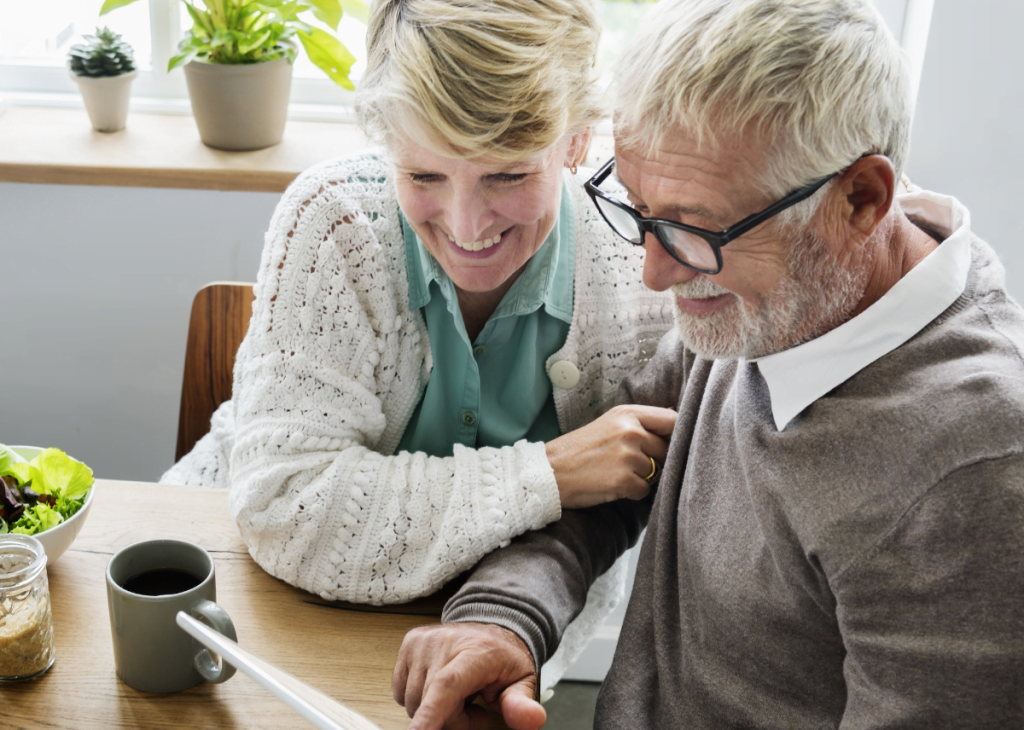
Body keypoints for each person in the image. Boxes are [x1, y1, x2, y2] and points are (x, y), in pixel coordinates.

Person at [391, 0, 1024, 728]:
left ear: (861, 199)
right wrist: (499, 622)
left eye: (693, 230)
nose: (655, 275)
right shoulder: (771, 304)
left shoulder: (977, 476)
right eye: (638, 210)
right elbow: (606, 491)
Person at [161, 0, 677, 687]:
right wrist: (549, 474)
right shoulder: (336, 219)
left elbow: (614, 515)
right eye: (424, 175)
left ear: (577, 140)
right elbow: (287, 507)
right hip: (246, 586)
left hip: (492, 625)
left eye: (508, 175)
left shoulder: (646, 264)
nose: (466, 226)